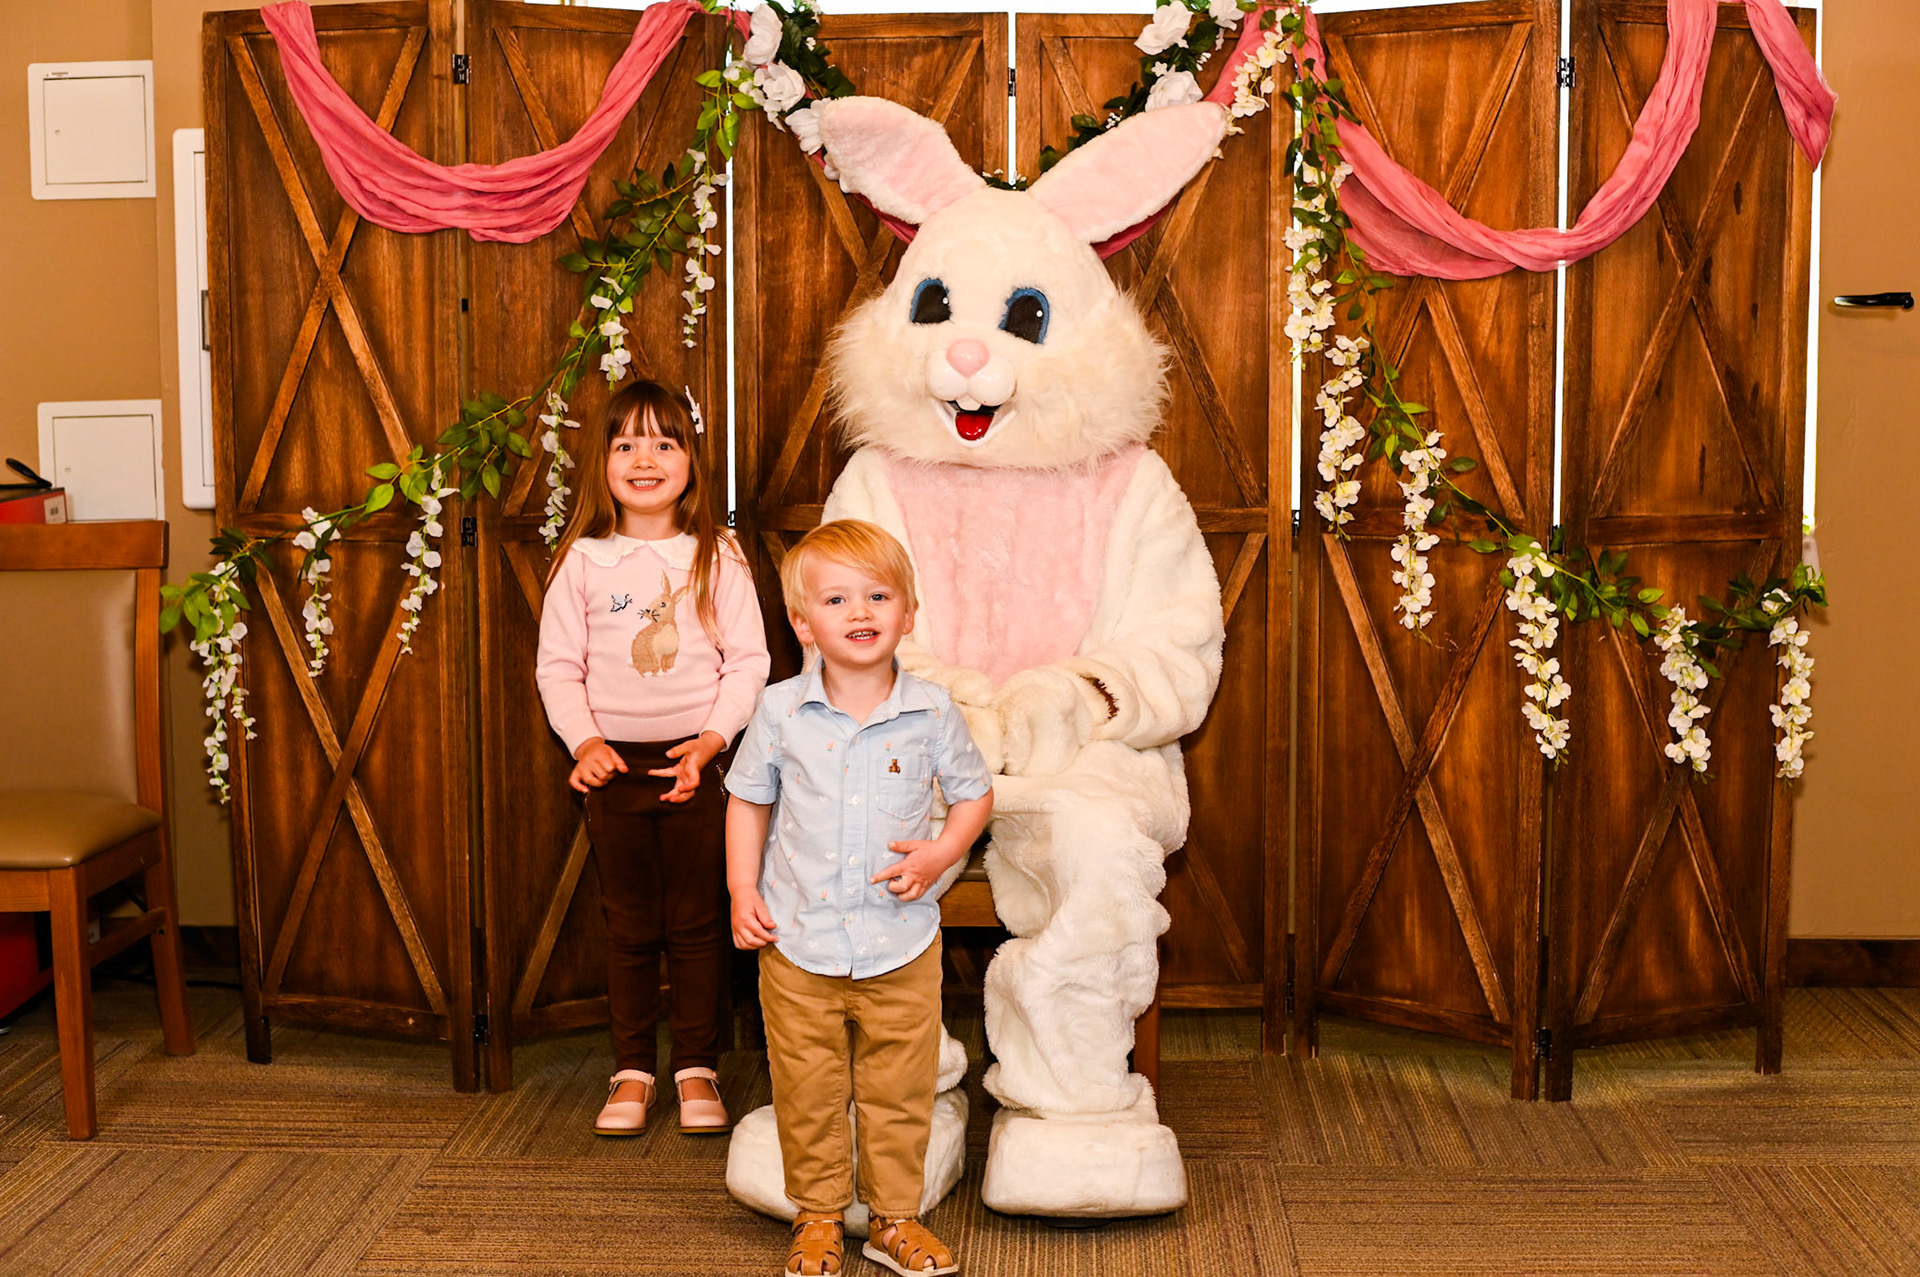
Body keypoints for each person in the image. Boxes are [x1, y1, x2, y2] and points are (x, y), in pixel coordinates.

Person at [725, 520, 992, 1277]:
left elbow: (975, 794)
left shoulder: (933, 711)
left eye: (878, 595)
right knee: (806, 1088)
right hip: (797, 942)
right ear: (804, 624)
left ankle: (893, 1219)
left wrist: (942, 850)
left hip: (900, 943)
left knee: (898, 1091)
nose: (860, 611)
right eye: (837, 599)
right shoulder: (778, 710)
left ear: (908, 612)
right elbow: (747, 801)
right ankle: (816, 1215)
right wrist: (741, 888)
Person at [536, 380, 769, 1137]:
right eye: (627, 443)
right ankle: (632, 1069)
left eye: (664, 443)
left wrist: (712, 741)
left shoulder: (715, 555)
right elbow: (558, 669)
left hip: (697, 768)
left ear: (691, 460)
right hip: (614, 772)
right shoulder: (582, 561)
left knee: (699, 924)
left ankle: (696, 1067)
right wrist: (585, 744)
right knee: (630, 926)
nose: (645, 459)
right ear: (602, 462)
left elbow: (749, 661)